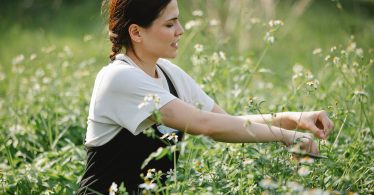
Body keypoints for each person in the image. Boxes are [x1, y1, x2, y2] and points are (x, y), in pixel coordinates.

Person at [77, 0, 334, 194]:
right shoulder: (118, 78)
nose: (181, 30)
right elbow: (206, 125)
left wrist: (294, 119)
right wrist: (286, 137)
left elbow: (227, 122)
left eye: (178, 20)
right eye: (169, 24)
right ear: (136, 32)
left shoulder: (168, 74)